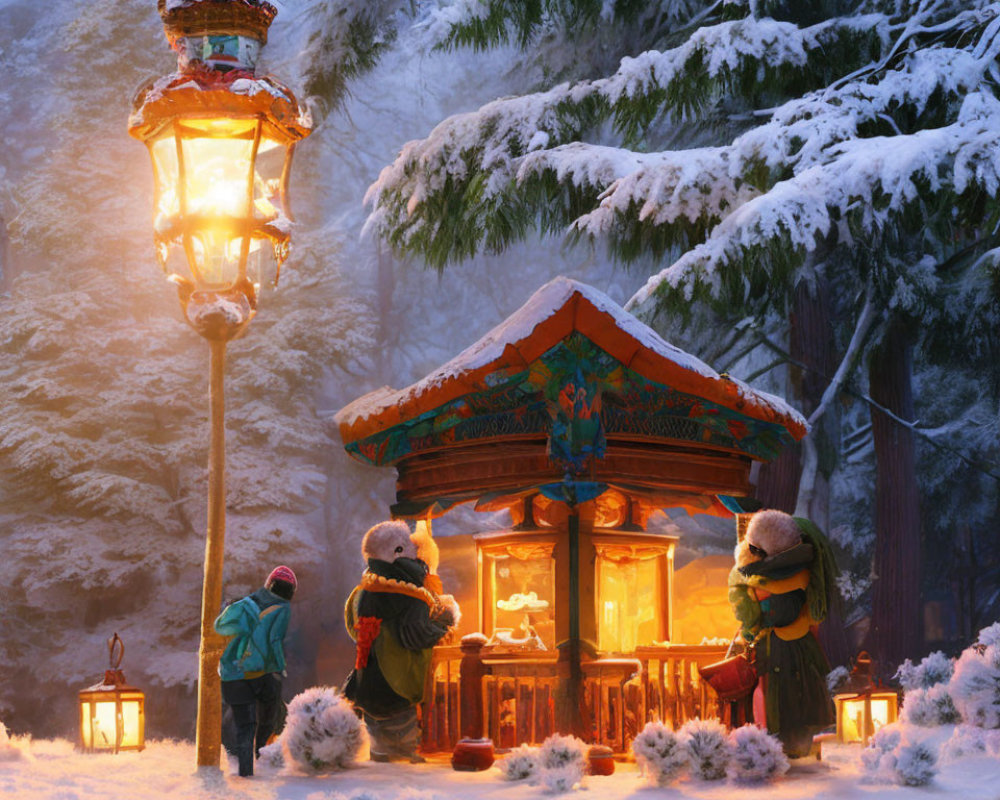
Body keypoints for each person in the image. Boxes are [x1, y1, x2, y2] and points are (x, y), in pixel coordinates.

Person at [343, 521, 458, 762]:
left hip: (368, 676)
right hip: (396, 681)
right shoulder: (408, 593)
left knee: (379, 739)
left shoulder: (364, 588)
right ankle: (403, 753)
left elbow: (352, 625)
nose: (419, 559)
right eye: (412, 551)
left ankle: (382, 753)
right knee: (401, 731)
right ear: (397, 552)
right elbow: (414, 635)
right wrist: (444, 622)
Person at [728, 510, 837, 757]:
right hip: (782, 646)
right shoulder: (786, 578)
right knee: (781, 699)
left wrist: (752, 625)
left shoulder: (788, 580)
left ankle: (790, 748)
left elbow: (767, 616)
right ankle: (782, 747)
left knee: (789, 698)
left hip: (785, 646)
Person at [214, 565, 296, 777]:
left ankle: (245, 772)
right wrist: (280, 667)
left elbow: (220, 626)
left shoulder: (245, 604)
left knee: (244, 727)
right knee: (268, 718)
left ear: (269, 583)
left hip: (234, 673)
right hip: (263, 673)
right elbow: (274, 640)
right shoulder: (283, 607)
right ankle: (263, 762)